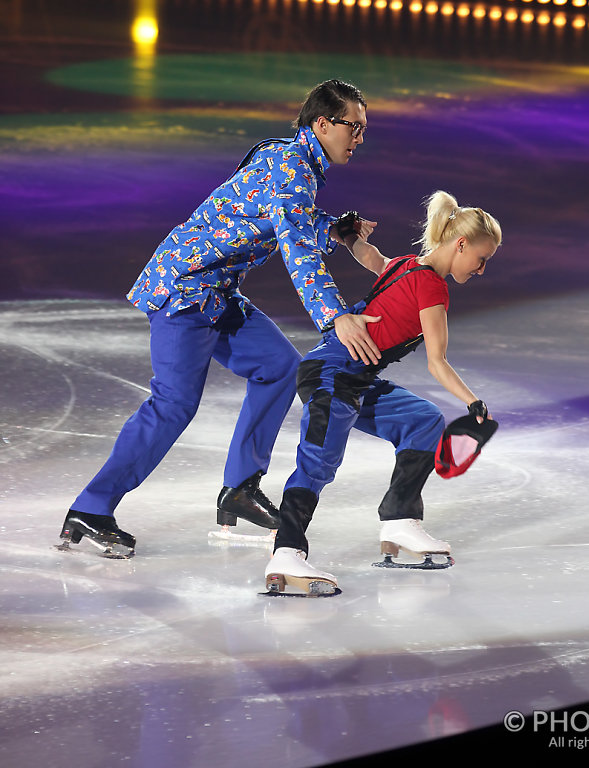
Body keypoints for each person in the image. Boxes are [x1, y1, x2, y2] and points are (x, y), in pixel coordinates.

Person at [59, 79, 381, 557]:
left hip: (217, 294)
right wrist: (334, 315)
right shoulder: (291, 167)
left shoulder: (289, 160)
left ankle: (240, 488)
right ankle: (92, 508)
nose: (359, 139)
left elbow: (275, 213)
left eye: (363, 130)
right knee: (174, 404)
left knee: (278, 368)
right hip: (185, 291)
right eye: (354, 127)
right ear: (323, 123)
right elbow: (297, 251)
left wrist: (333, 228)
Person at [265, 191, 502, 594]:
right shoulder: (433, 288)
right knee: (319, 459)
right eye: (481, 259)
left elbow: (371, 257)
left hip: (351, 377)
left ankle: (399, 520)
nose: (481, 270)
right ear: (460, 244)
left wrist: (348, 236)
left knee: (422, 420)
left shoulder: (406, 266)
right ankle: (286, 550)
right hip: (331, 374)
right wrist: (473, 402)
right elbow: (437, 362)